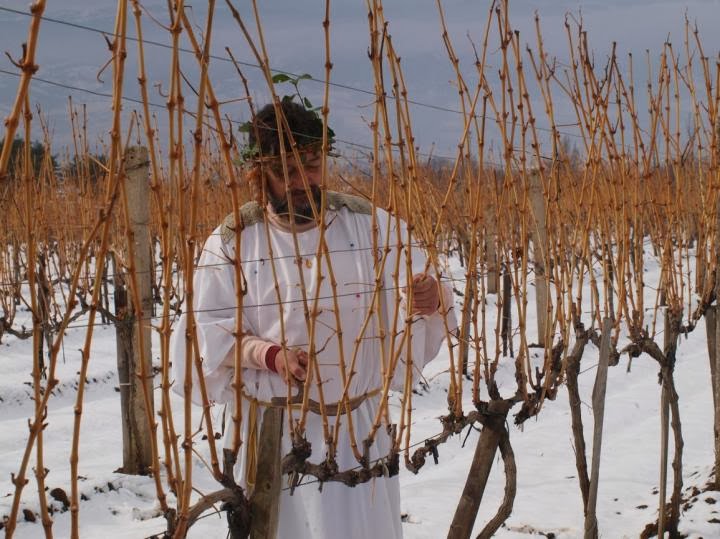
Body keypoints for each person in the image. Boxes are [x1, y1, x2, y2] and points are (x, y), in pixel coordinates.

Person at [172, 99, 456, 538]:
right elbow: (201, 333)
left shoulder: (370, 226)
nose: (302, 181)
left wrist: (430, 296)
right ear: (259, 174)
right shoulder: (233, 241)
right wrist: (268, 356)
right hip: (276, 436)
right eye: (286, 171)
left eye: (312, 165)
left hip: (359, 432)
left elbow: (430, 288)